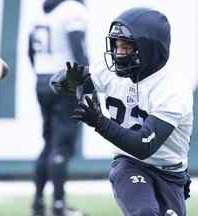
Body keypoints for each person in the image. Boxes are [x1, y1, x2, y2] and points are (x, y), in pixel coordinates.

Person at [50, 7, 193, 216]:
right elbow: (58, 82)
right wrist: (69, 81)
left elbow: (145, 145)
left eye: (126, 46)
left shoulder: (172, 88)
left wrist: (100, 122)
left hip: (170, 172)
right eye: (117, 45)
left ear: (148, 48)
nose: (118, 53)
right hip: (130, 163)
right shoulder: (110, 71)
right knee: (144, 212)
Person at [28, 0, 89, 215]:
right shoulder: (73, 10)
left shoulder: (41, 13)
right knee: (61, 146)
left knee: (49, 142)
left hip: (42, 80)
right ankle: (59, 205)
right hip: (65, 80)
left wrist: (41, 74)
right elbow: (77, 47)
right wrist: (87, 78)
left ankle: (37, 202)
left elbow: (30, 51)